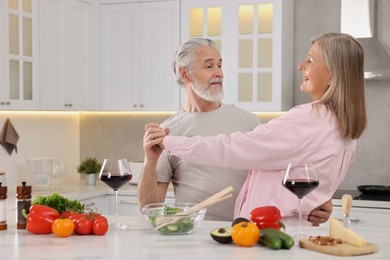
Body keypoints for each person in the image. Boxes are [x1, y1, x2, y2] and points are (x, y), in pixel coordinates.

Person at [140, 37, 335, 223]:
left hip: (249, 232)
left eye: (219, 65)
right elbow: (149, 207)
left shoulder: (248, 121)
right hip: (198, 236)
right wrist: (150, 161)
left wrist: (313, 202)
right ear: (185, 74)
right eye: (209, 66)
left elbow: (283, 176)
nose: (219, 73)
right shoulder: (168, 132)